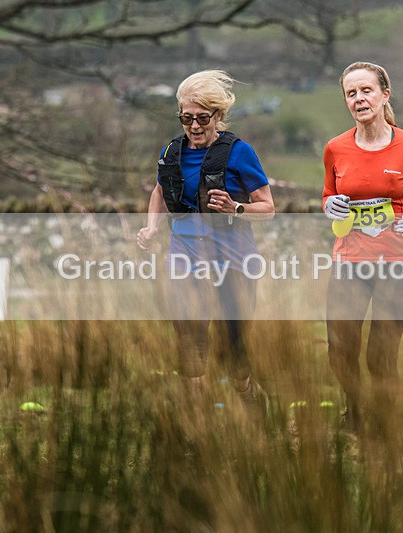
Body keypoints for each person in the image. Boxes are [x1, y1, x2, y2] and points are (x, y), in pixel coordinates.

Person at [137, 70, 274, 415]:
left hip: (233, 262)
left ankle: (251, 398)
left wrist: (237, 207)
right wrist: (152, 228)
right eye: (187, 117)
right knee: (189, 338)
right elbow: (158, 191)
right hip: (184, 259)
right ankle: (196, 421)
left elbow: (268, 208)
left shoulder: (240, 153)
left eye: (202, 118)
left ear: (218, 115)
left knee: (233, 349)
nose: (194, 126)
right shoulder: (172, 151)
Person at [322, 61, 403, 432]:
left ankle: (385, 425)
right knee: (339, 350)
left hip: (397, 264)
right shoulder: (335, 148)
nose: (359, 99)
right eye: (351, 93)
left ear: (384, 95)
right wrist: (329, 205)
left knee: (380, 355)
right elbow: (328, 194)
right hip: (349, 262)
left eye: (366, 90)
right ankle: (354, 412)